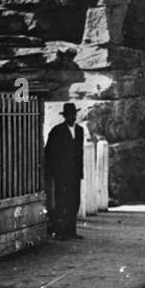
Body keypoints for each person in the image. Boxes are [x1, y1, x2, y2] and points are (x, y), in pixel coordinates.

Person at [44, 102, 85, 239]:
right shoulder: (57, 131)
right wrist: (55, 171)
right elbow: (49, 152)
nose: (72, 118)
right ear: (65, 116)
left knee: (74, 201)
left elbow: (80, 153)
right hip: (62, 174)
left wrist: (80, 172)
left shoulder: (80, 131)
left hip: (75, 174)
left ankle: (71, 230)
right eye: (69, 115)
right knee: (61, 202)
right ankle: (60, 231)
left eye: (73, 115)